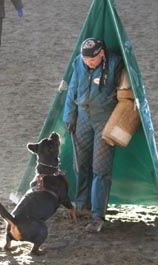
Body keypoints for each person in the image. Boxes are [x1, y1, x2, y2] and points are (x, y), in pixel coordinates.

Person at [63, 38, 122, 232]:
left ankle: (98, 215)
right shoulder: (78, 63)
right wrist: (69, 116)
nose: (88, 62)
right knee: (81, 164)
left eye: (92, 59)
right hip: (82, 119)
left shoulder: (115, 62)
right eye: (85, 58)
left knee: (100, 168)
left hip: (106, 120)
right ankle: (82, 206)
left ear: (102, 53)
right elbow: (72, 89)